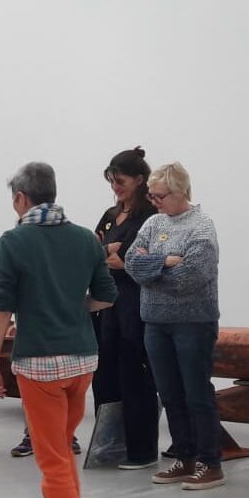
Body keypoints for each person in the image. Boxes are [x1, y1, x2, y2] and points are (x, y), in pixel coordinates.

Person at [0, 162, 117, 498]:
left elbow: (3, 308)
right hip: (82, 359)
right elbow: (106, 296)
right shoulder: (85, 239)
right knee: (63, 449)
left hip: (39, 364)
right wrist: (69, 308)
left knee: (53, 461)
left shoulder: (13, 241)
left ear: (20, 198)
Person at [124, 163, 224, 490]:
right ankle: (184, 457)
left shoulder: (202, 227)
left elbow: (189, 277)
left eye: (160, 196)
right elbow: (131, 263)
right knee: (169, 394)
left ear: (180, 191)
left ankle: (210, 462)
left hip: (193, 323)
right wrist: (165, 262)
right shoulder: (153, 223)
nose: (154, 202)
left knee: (197, 394)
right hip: (155, 322)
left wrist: (150, 270)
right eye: (151, 196)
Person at [85, 146, 162, 469]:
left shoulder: (149, 216)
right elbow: (94, 252)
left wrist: (114, 255)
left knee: (135, 375)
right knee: (105, 373)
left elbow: (132, 260)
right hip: (107, 305)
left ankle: (141, 450)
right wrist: (109, 253)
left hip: (134, 305)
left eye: (121, 181)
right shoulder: (109, 215)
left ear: (140, 180)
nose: (115, 187)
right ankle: (109, 446)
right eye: (112, 181)